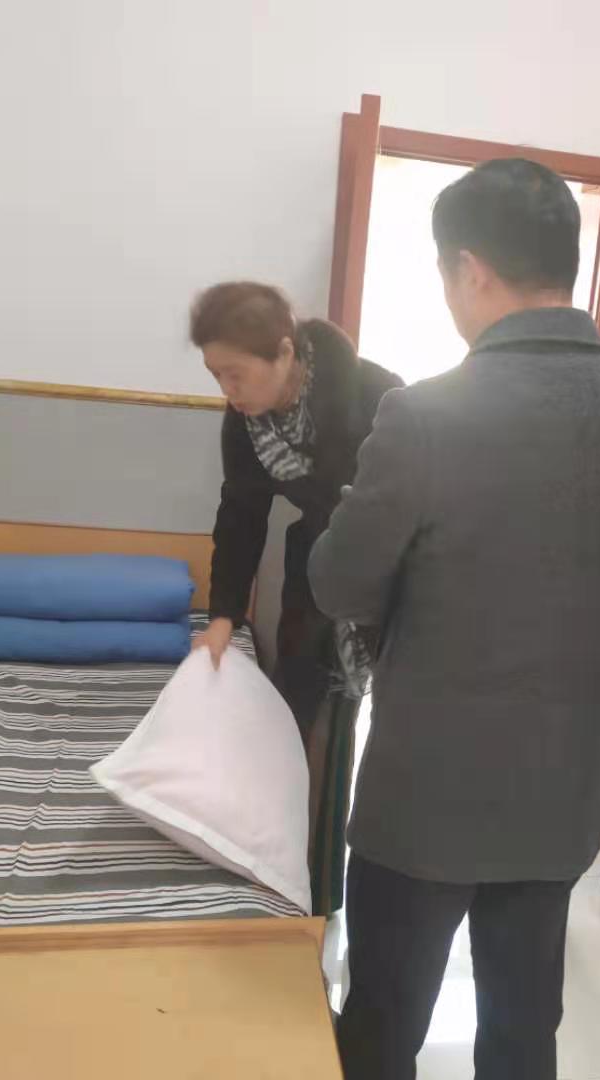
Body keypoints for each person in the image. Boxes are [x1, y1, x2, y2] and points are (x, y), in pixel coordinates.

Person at [309, 159, 600, 1080]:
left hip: (426, 795)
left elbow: (340, 584)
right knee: (524, 1029)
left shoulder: (425, 414)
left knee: (383, 1023)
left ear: (470, 270)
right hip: (561, 790)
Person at [189, 282, 403, 915]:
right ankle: (297, 879)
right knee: (299, 712)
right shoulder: (244, 423)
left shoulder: (377, 396)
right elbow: (240, 515)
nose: (227, 390)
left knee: (384, 729)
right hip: (316, 568)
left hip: (392, 575)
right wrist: (224, 615)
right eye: (216, 375)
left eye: (236, 373)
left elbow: (417, 507)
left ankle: (365, 885)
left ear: (285, 352)